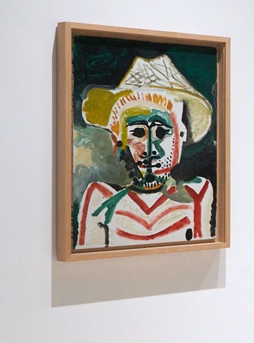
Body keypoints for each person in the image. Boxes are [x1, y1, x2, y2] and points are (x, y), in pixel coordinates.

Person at [76, 54, 215, 249]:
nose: (150, 150)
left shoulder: (197, 194)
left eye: (161, 132)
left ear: (181, 136)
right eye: (138, 133)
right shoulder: (102, 199)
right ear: (118, 140)